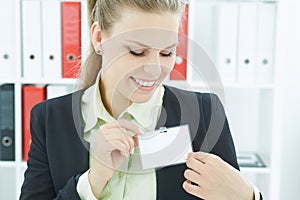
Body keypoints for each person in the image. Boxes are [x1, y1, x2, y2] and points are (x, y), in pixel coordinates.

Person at [20, 0, 262, 199]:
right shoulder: (50, 119)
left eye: (167, 52)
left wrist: (249, 196)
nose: (155, 70)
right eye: (138, 52)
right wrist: (93, 180)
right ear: (99, 38)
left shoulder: (205, 113)